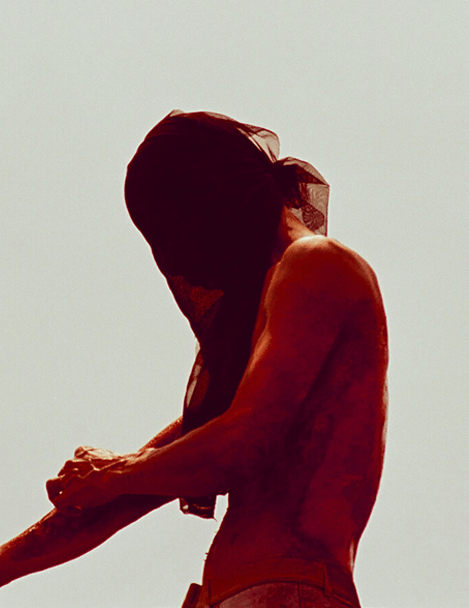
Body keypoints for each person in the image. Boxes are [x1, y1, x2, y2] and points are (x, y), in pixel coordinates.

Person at [0, 111, 388, 608]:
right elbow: (126, 494)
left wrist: (116, 472)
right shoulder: (257, 359)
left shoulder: (316, 262)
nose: (178, 254)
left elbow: (244, 443)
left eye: (176, 222)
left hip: (286, 588)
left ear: (212, 194)